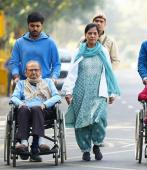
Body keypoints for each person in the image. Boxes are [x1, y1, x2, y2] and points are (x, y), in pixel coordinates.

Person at [62, 23, 120, 161]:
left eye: (95, 33)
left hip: (98, 92)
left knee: (99, 120)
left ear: (98, 35)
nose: (92, 36)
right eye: (90, 33)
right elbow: (72, 72)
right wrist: (68, 91)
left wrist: (111, 93)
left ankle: (97, 145)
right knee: (82, 122)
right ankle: (85, 150)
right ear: (85, 35)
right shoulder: (78, 52)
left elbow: (108, 72)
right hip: (80, 92)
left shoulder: (103, 51)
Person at [10, 60, 61, 162]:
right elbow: (14, 98)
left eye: (36, 70)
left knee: (37, 108)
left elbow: (56, 96)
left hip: (43, 111)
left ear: (40, 71)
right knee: (23, 109)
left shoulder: (48, 82)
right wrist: (20, 103)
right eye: (30, 70)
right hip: (25, 112)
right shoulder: (21, 84)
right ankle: (24, 143)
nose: (33, 72)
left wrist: (45, 104)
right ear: (26, 73)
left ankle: (40, 142)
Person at [8, 11, 61, 83]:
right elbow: (14, 62)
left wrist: (54, 77)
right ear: (28, 25)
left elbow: (56, 64)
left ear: (42, 26)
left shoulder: (50, 43)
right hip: (24, 83)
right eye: (32, 26)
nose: (35, 28)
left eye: (37, 26)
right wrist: (16, 76)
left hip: (45, 83)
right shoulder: (19, 43)